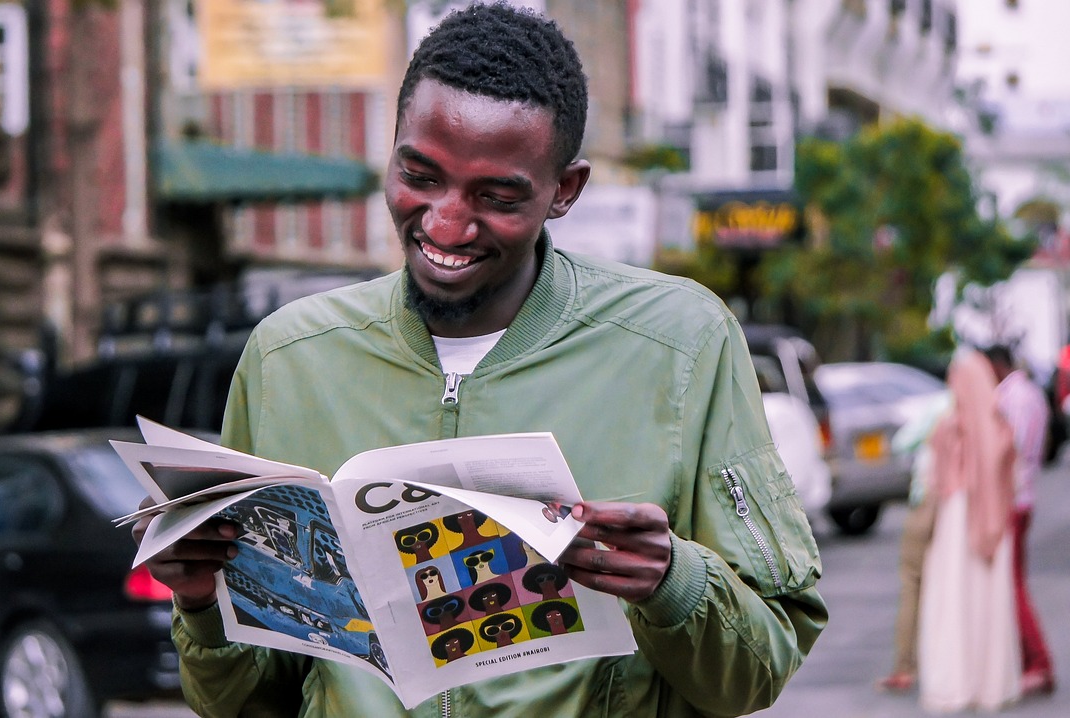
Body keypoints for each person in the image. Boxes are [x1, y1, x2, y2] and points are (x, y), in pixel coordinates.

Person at [133, 4, 826, 716]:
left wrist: (673, 581)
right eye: (419, 175)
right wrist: (202, 607)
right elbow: (249, 702)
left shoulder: (682, 344)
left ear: (565, 190)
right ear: (392, 147)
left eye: (496, 197)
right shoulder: (289, 359)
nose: (445, 223)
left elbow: (758, 669)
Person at [917, 348, 1021, 713]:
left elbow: (934, 476)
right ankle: (989, 681)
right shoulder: (1001, 428)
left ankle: (958, 680)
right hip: (992, 521)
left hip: (958, 517)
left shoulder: (951, 427)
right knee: (986, 599)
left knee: (955, 595)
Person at [984, 345, 1056, 697]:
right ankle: (1030, 659)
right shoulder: (1031, 394)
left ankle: (1038, 662)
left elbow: (1013, 449)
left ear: (997, 366)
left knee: (1012, 584)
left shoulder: (1013, 398)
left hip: (1013, 497)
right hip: (1024, 494)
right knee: (1014, 581)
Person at [876, 389, 950, 694]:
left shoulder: (941, 405)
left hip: (928, 499)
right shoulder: (986, 404)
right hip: (959, 507)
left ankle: (906, 666)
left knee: (913, 582)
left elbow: (902, 441)